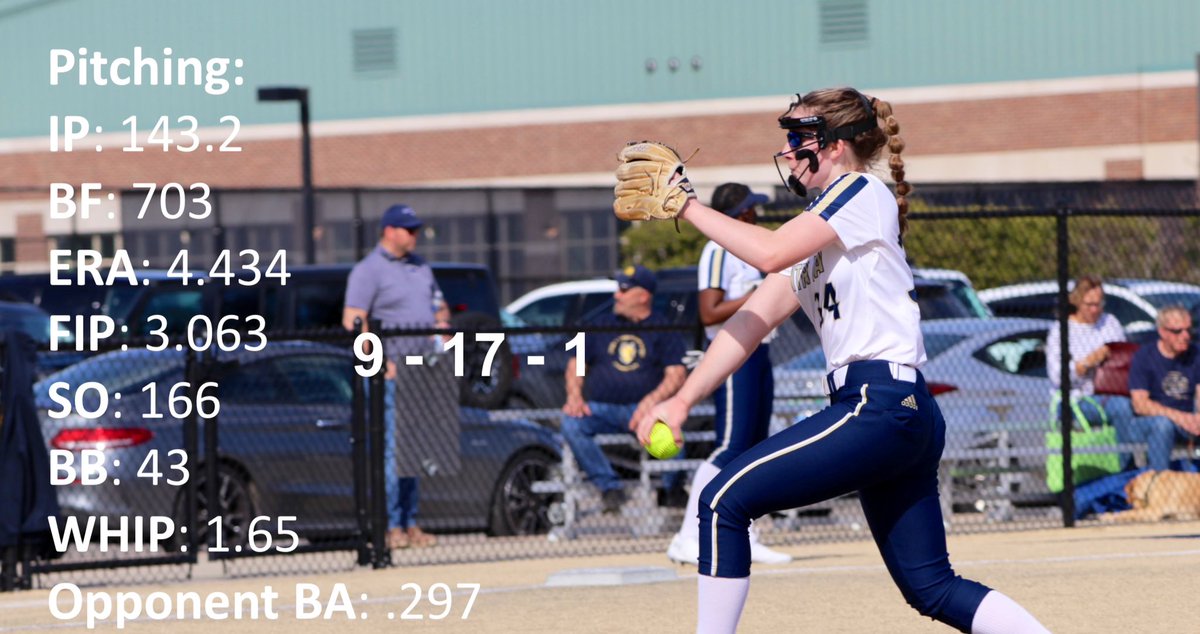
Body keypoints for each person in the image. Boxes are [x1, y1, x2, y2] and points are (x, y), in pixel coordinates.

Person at [630, 88, 1047, 632]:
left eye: (799, 137)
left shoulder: (860, 191)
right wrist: (682, 399)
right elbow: (748, 323)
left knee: (720, 501)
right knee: (932, 588)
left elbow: (769, 251)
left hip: (879, 404)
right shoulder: (820, 226)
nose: (788, 149)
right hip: (891, 410)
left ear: (835, 145)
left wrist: (686, 204)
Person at [664, 183, 790, 566]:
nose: (756, 214)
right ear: (737, 212)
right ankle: (688, 535)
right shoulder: (718, 249)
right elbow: (709, 312)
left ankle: (745, 533)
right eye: (751, 208)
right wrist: (757, 293)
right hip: (734, 353)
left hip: (760, 348)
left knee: (753, 447)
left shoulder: (749, 251)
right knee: (730, 446)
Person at [343, 204, 448, 550]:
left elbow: (439, 308)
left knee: (414, 451)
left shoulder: (420, 267)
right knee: (392, 451)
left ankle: (410, 523)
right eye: (409, 229)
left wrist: (443, 330)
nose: (414, 235)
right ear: (389, 230)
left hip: (425, 371)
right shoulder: (368, 270)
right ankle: (390, 527)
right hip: (392, 375)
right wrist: (382, 362)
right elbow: (353, 322)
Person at [560, 265, 688, 514]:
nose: (617, 294)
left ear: (644, 296)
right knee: (571, 423)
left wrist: (650, 403)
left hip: (646, 412)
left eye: (624, 289)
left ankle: (671, 490)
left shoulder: (663, 328)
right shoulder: (600, 324)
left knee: (673, 435)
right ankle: (610, 488)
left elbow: (677, 375)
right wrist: (574, 397)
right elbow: (576, 363)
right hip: (602, 410)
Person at [1044, 275, 1134, 453]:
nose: (1095, 310)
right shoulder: (1061, 330)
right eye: (1089, 305)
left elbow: (1124, 356)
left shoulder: (1110, 323)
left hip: (1113, 391)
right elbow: (1056, 376)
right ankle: (1125, 469)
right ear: (1077, 302)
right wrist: (1087, 362)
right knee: (1122, 409)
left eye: (1099, 304)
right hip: (1078, 398)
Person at [1122, 306, 1200, 471]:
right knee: (1163, 425)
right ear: (1163, 332)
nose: (1185, 336)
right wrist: (1182, 418)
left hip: (1186, 422)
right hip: (1148, 423)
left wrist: (1197, 418)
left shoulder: (1195, 354)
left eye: (1188, 330)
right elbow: (1140, 405)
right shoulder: (1145, 357)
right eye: (1178, 331)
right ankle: (1160, 483)